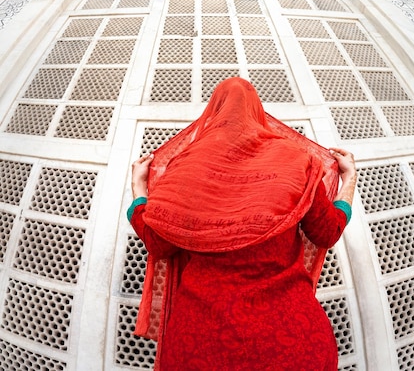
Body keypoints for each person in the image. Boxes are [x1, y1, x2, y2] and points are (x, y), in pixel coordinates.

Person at [127, 77, 357, 371]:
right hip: (291, 338)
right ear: (258, 113)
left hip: (200, 344)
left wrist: (138, 187)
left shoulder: (185, 168)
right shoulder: (297, 162)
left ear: (213, 114)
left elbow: (157, 242)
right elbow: (327, 232)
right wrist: (349, 181)